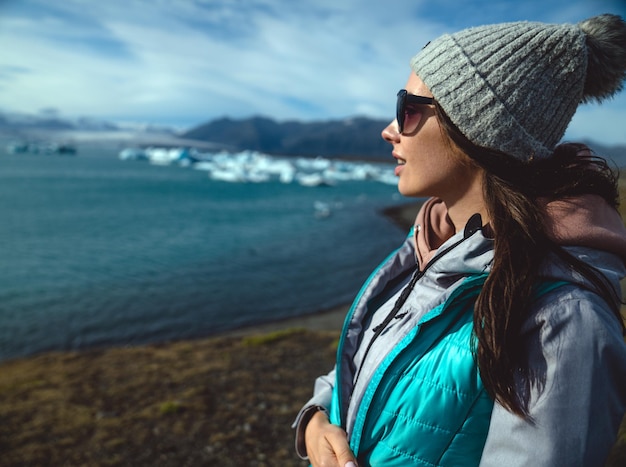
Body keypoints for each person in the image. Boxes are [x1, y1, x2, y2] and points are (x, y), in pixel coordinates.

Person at [293, 13, 626, 467]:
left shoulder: (561, 320)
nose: (388, 129)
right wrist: (315, 420)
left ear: (475, 129)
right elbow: (366, 365)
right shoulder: (430, 253)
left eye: (407, 109)